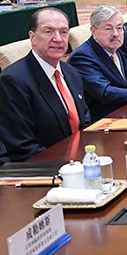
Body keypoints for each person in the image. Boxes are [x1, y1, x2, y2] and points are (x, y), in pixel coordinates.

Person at [0, 8, 90, 161]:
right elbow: (22, 147)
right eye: (48, 32)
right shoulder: (13, 81)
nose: (58, 39)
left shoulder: (71, 72)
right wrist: (70, 165)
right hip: (46, 166)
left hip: (81, 158)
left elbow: (84, 120)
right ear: (32, 37)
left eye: (63, 32)